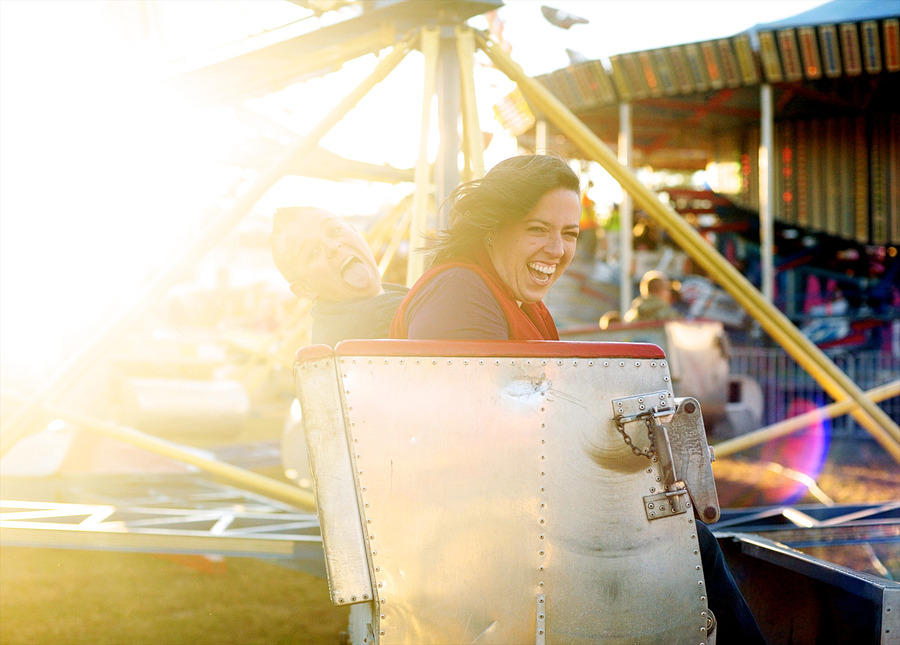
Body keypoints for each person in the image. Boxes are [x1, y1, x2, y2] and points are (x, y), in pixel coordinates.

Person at [390, 154, 765, 644]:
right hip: (486, 531)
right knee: (689, 544)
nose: (557, 249)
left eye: (569, 234)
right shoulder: (459, 292)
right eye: (538, 229)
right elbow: (472, 438)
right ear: (491, 229)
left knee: (685, 531)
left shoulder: (527, 306)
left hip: (526, 510)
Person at [271, 206, 408, 346]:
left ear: (356, 231)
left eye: (334, 231)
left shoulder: (401, 303)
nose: (333, 246)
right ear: (305, 289)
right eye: (313, 252)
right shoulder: (353, 344)